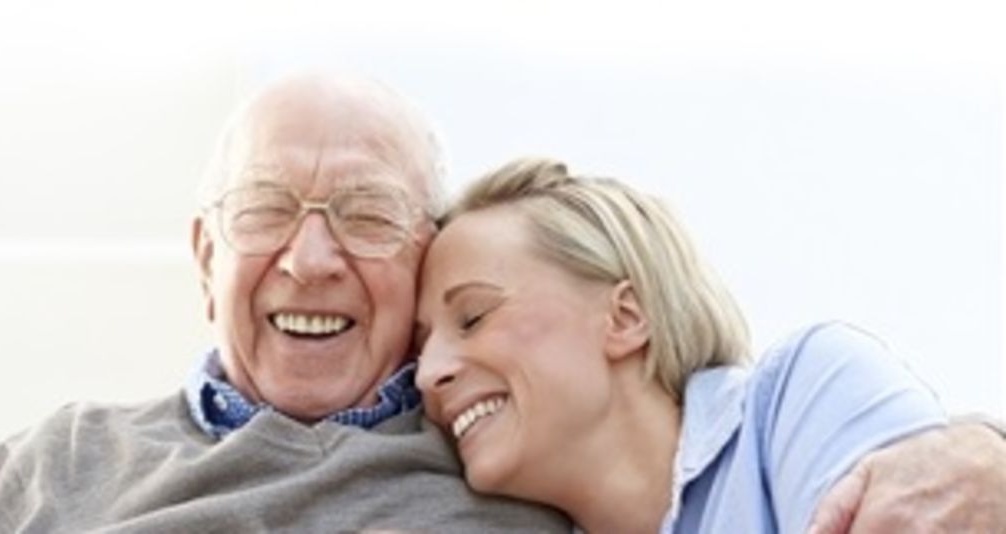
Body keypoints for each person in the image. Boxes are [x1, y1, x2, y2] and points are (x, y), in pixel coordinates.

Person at [0, 73, 1006, 532]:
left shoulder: (503, 471)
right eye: (265, 210)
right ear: (203, 250)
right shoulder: (51, 466)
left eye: (365, 212)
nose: (310, 258)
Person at [413, 157, 996, 532]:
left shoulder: (798, 398)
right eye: (423, 345)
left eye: (474, 316)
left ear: (626, 316)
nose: (428, 373)